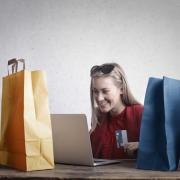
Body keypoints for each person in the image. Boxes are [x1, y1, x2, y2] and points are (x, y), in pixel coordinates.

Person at [90, 63, 143, 159]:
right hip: (101, 173)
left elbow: (165, 145)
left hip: (130, 173)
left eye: (105, 91)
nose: (99, 98)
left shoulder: (139, 113)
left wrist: (143, 146)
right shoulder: (98, 117)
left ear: (121, 89)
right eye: (95, 91)